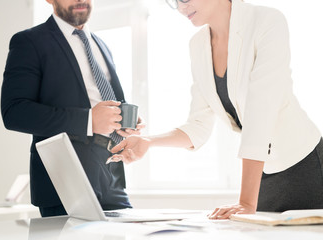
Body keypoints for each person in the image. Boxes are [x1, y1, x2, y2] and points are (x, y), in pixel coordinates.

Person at [109, 0, 323, 219]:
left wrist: (246, 201)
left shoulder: (267, 21)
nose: (181, 8)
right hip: (263, 173)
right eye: (173, 2)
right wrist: (149, 142)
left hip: (302, 163)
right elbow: (198, 125)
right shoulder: (198, 44)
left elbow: (262, 111)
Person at [1, 0, 145, 217]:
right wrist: (88, 120)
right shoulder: (29, 41)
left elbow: (104, 99)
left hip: (110, 169)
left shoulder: (101, 44)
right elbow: (14, 112)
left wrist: (123, 122)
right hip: (65, 174)